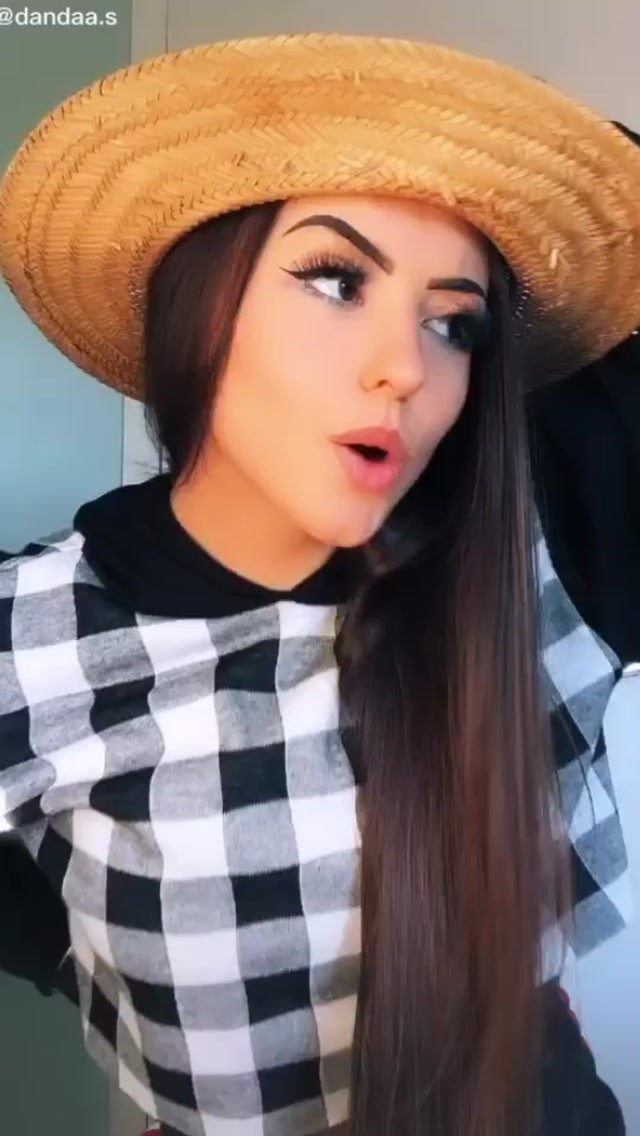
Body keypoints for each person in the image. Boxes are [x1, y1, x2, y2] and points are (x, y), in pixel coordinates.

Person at [0, 33, 639, 1136]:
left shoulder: (541, 542)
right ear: (198, 299)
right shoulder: (33, 638)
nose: (407, 367)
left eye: (453, 322)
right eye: (337, 279)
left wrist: (549, 157)